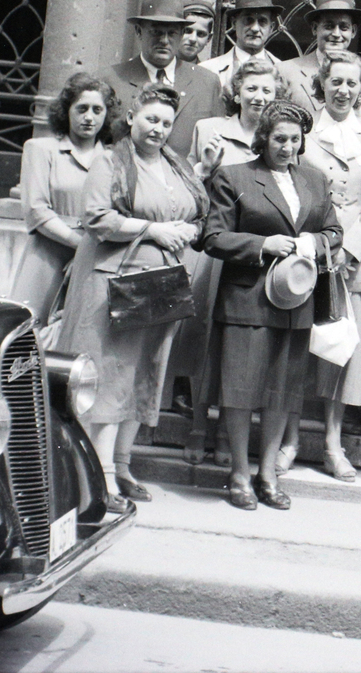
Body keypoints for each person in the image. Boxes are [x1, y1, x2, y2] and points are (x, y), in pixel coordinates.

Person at [59, 83, 209, 513]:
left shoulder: (177, 166)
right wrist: (152, 229)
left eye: (166, 122)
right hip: (116, 281)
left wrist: (188, 229)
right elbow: (97, 218)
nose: (158, 129)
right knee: (112, 373)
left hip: (163, 281)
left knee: (146, 371)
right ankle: (99, 473)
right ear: (131, 118)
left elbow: (196, 212)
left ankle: (123, 464)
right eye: (151, 119)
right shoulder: (110, 161)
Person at [202, 101, 343, 510]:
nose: (287, 147)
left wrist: (313, 242)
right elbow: (213, 237)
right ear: (263, 138)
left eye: (295, 140)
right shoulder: (234, 176)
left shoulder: (314, 180)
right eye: (279, 139)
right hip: (247, 299)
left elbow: (334, 231)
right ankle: (238, 475)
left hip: (295, 299)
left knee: (282, 393)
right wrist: (263, 244)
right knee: (240, 390)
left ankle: (267, 475)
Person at [174, 55, 282, 462]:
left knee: (239, 349)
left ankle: (225, 434)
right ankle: (198, 427)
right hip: (214, 248)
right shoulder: (210, 129)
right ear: (236, 92)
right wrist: (205, 168)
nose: (258, 96)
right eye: (251, 88)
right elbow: (187, 186)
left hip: (253, 251)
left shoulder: (275, 137)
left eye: (267, 90)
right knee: (202, 339)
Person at [302, 52, 361, 481]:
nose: (343, 90)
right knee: (298, 343)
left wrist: (351, 248)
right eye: (335, 81)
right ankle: (288, 440)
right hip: (307, 248)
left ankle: (332, 444)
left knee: (341, 350)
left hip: (351, 256)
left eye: (352, 83)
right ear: (322, 84)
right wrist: (317, 245)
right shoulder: (306, 129)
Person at [11, 73, 117, 321]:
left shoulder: (114, 159)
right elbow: (37, 211)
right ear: (66, 110)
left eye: (97, 110)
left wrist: (88, 255)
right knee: (33, 329)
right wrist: (83, 248)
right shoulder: (40, 149)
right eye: (81, 108)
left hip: (96, 261)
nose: (89, 117)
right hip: (49, 257)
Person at [101, 0, 226, 156]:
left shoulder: (207, 83)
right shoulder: (112, 79)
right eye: (156, 32)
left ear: (181, 34)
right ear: (139, 31)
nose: (164, 41)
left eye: (172, 33)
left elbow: (218, 141)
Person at [280, 0, 361, 112]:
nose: (336, 34)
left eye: (343, 27)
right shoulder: (286, 72)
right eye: (329, 26)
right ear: (315, 28)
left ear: (353, 31)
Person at [201, 0, 286, 94]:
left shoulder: (284, 72)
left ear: (271, 28)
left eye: (262, 21)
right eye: (248, 20)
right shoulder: (208, 70)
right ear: (234, 23)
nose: (255, 28)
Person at [179, 0, 215, 64]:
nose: (193, 39)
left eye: (200, 34)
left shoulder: (205, 70)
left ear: (209, 39)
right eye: (187, 31)